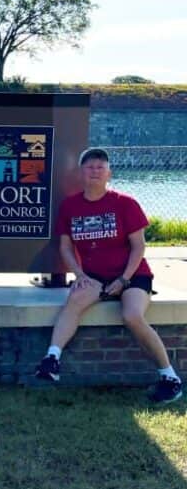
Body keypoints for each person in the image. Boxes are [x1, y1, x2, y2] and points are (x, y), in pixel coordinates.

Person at [35, 147, 182, 404]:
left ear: (109, 173)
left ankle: (170, 378)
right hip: (93, 276)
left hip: (133, 275)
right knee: (74, 302)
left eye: (100, 167)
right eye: (90, 167)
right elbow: (65, 247)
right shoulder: (71, 206)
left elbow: (139, 246)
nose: (95, 171)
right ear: (81, 172)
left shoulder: (125, 203)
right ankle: (52, 360)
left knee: (132, 315)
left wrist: (124, 279)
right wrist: (79, 274)